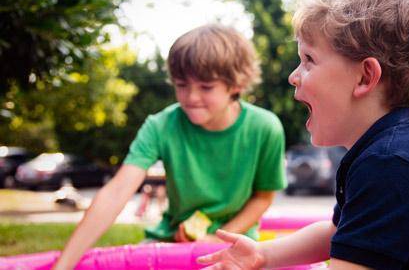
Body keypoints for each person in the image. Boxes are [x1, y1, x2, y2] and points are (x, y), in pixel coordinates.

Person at [197, 0, 409, 269]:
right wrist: (262, 255)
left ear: (365, 77)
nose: (293, 75)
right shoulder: (384, 153)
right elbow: (336, 233)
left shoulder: (393, 164)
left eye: (309, 59)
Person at [52, 24, 287, 270]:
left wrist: (217, 238)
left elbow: (263, 197)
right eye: (181, 85)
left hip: (236, 245)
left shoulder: (265, 128)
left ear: (236, 84)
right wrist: (63, 266)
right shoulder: (160, 125)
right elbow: (117, 191)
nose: (191, 97)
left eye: (206, 87)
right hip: (171, 240)